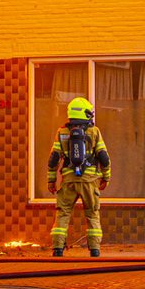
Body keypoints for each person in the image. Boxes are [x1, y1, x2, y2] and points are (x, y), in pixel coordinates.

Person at [48, 96, 111, 257]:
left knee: (63, 213)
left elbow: (54, 158)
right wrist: (106, 177)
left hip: (68, 181)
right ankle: (95, 250)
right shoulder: (94, 132)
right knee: (92, 213)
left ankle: (57, 249)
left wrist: (51, 180)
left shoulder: (62, 132)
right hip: (89, 181)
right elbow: (103, 156)